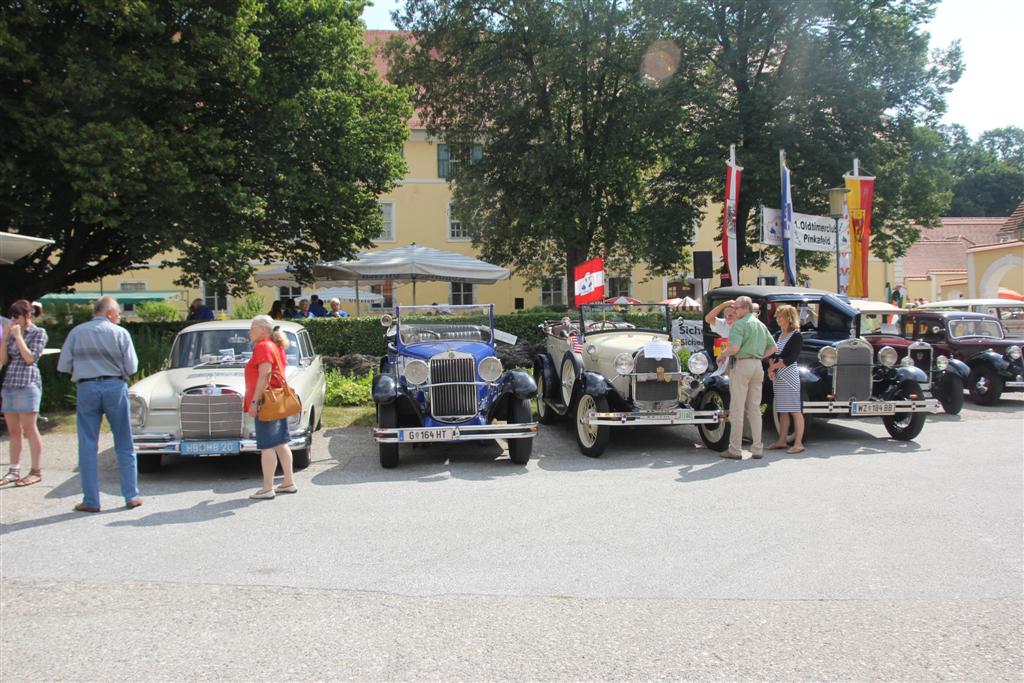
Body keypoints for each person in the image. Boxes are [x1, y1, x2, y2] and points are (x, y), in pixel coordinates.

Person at [56, 297, 141, 512]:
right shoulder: (120, 333)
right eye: (119, 313)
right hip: (114, 386)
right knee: (124, 441)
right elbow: (132, 366)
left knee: (87, 444)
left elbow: (63, 364)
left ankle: (91, 500)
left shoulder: (77, 332)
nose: (119, 317)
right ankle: (131, 496)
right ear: (110, 313)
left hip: (87, 387)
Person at [715, 296, 777, 459]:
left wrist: (722, 354)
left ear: (744, 309)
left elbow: (734, 348)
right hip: (757, 366)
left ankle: (735, 449)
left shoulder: (739, 324)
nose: (733, 311)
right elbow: (773, 348)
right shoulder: (760, 324)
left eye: (736, 308)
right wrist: (757, 356)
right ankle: (757, 448)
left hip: (742, 365)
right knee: (754, 409)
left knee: (737, 409)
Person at [244, 315, 297, 499]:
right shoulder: (275, 346)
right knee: (280, 442)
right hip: (277, 400)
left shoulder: (263, 346)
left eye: (253, 327)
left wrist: (254, 402)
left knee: (267, 445)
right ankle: (288, 481)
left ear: (263, 330)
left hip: (267, 401)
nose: (249, 331)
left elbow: (264, 376)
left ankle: (267, 487)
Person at [1, 300, 48, 487]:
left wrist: (19, 337)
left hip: (28, 382)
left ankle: (36, 470)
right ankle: (14, 470)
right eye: (11, 316)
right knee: (13, 430)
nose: (13, 320)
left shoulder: (39, 333)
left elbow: (30, 358)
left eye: (16, 316)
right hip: (10, 382)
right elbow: (3, 360)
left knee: (29, 428)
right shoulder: (11, 333)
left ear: (28, 316)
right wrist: (5, 339)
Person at [766, 304, 805, 454]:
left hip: (789, 374)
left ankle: (798, 442)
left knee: (795, 410)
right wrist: (771, 365)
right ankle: (782, 440)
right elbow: (773, 354)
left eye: (780, 316)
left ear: (789, 317)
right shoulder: (777, 335)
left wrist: (773, 367)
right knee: (782, 410)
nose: (778, 319)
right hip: (778, 375)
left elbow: (790, 358)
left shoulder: (796, 335)